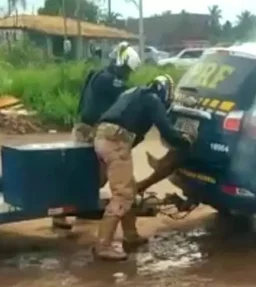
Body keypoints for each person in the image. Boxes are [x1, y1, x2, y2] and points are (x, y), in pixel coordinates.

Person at [92, 74, 193, 261]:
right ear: (165, 93)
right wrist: (184, 141)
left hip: (102, 135)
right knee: (122, 195)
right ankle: (103, 245)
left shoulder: (133, 92)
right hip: (117, 140)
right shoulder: (153, 99)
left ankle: (131, 236)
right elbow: (167, 131)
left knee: (129, 188)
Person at [52, 43, 141, 230]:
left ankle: (73, 209)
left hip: (84, 127)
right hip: (91, 130)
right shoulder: (110, 81)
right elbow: (126, 95)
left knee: (85, 173)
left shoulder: (97, 74)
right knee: (91, 175)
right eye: (127, 69)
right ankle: (63, 212)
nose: (127, 74)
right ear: (119, 62)